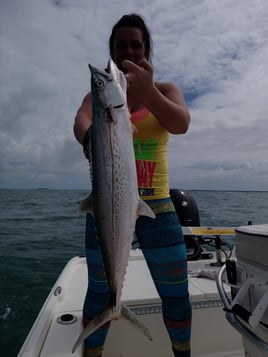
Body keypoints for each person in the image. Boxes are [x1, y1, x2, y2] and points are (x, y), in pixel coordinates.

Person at [73, 13, 192, 357]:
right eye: (121, 45)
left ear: (147, 49)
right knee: (99, 293)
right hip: (105, 204)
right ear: (111, 51)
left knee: (176, 296)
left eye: (136, 45)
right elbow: (81, 123)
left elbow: (180, 122)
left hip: (157, 205)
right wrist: (94, 137)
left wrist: (148, 91)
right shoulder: (96, 97)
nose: (129, 50)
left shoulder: (166, 90)